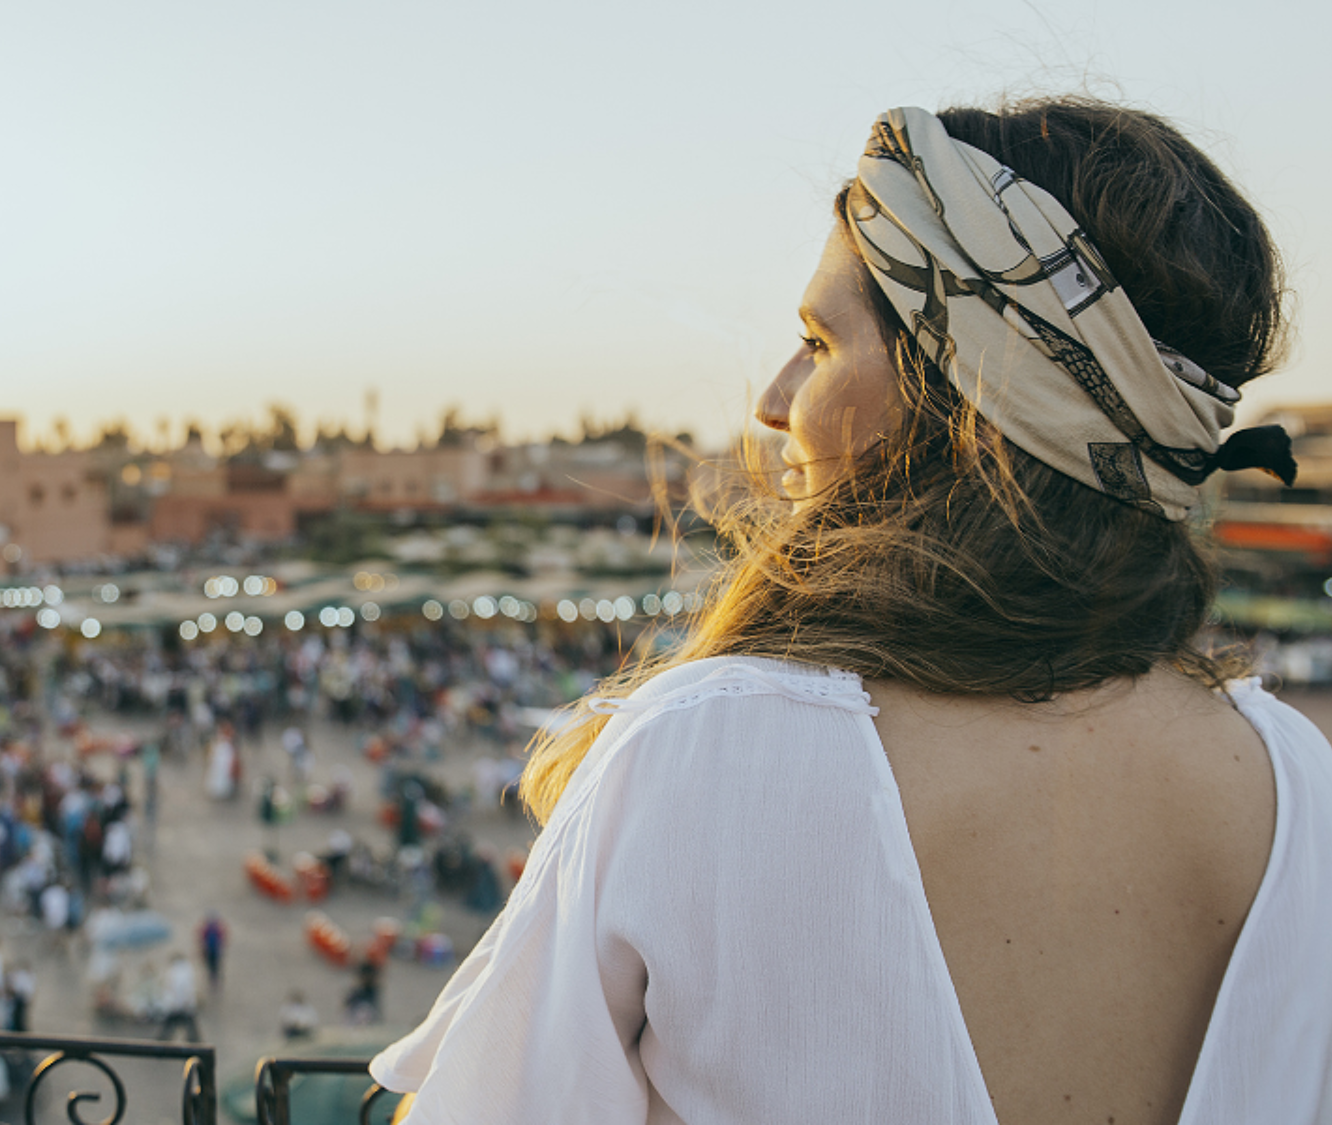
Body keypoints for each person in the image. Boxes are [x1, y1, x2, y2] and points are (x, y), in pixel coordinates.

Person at [372, 99, 1328, 1124]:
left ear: (973, 401)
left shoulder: (713, 749)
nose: (774, 402)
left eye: (818, 341)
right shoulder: (1297, 783)